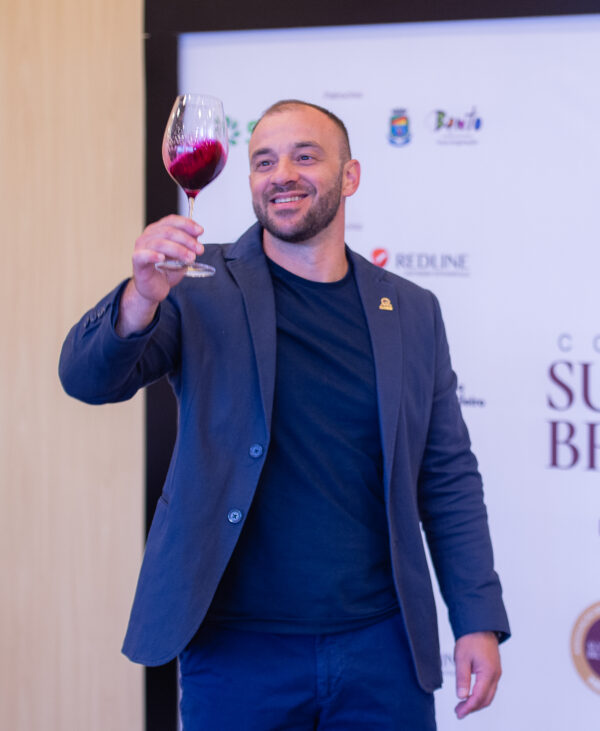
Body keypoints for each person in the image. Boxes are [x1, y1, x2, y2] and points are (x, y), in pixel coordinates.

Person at [59, 99, 509, 730]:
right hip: (237, 651)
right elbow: (86, 380)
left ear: (349, 176)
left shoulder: (411, 310)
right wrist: (140, 297)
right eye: (264, 161)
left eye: (305, 156)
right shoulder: (195, 287)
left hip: (382, 649)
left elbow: (447, 474)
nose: (282, 175)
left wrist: (476, 617)